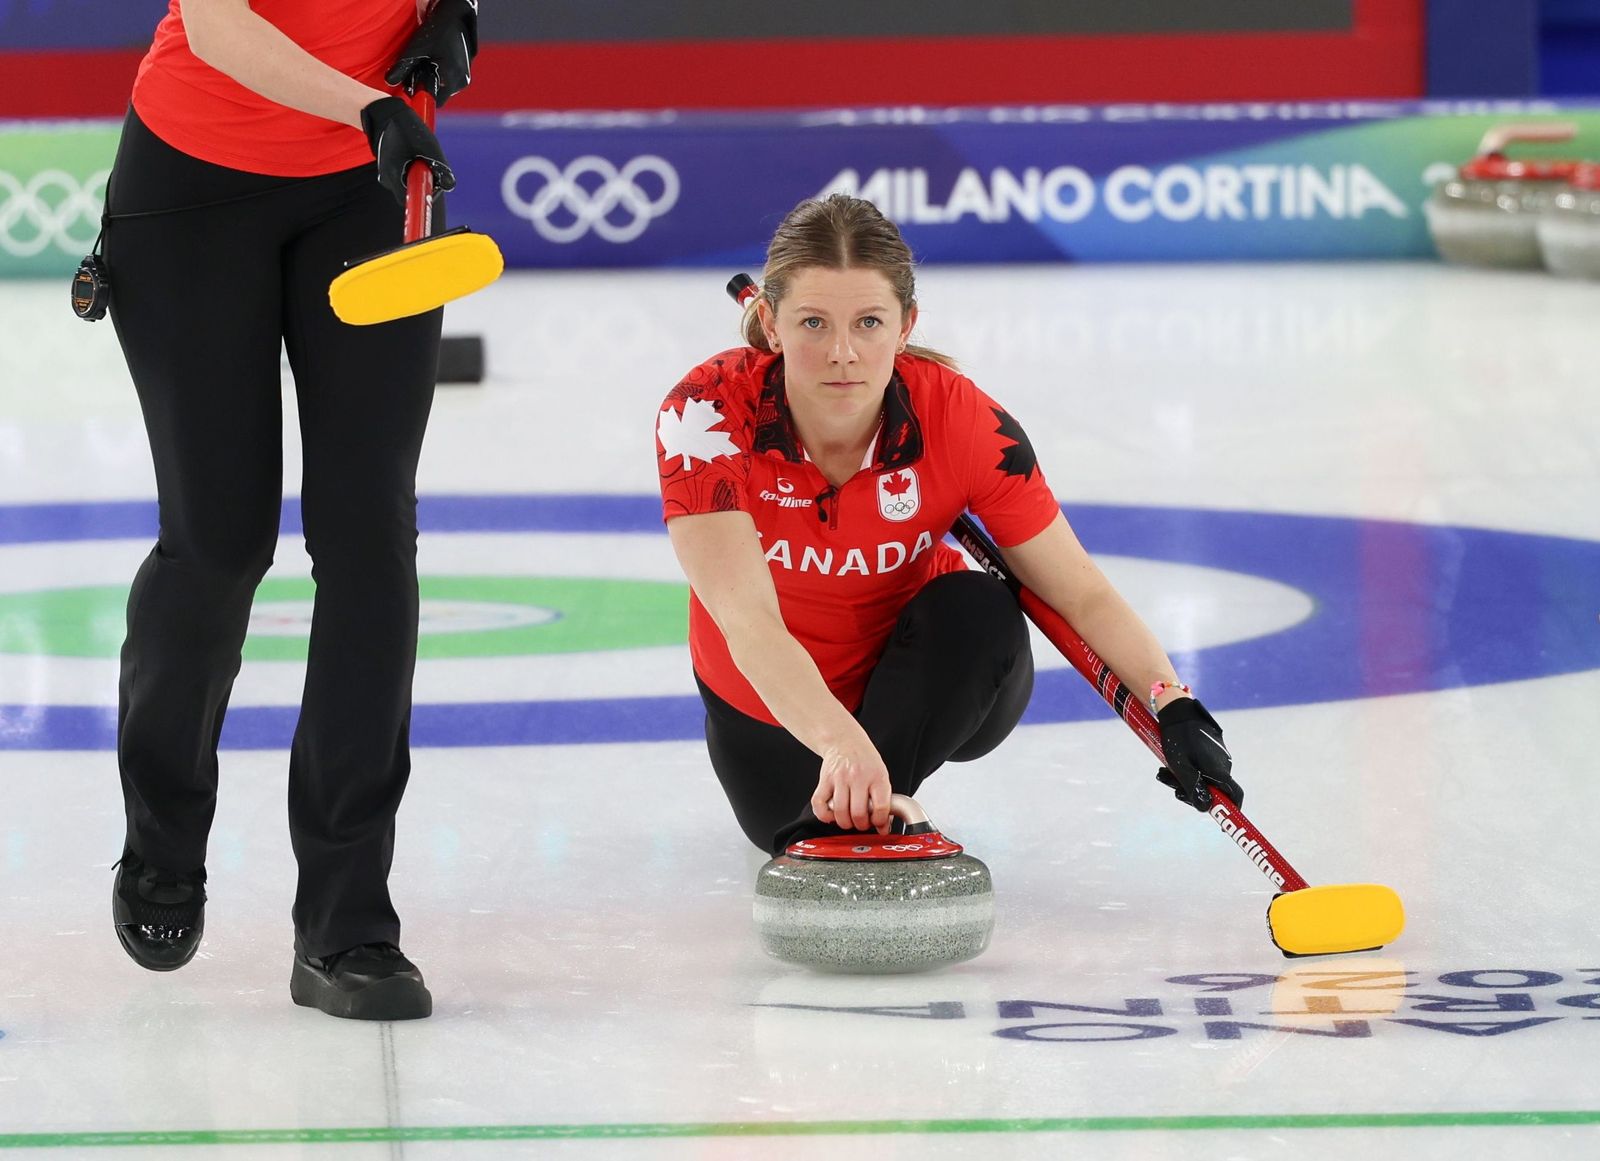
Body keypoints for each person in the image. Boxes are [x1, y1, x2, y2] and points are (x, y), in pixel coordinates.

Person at [656, 194, 1243, 857]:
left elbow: (1078, 590)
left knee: (980, 610)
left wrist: (1171, 702)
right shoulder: (702, 418)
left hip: (923, 676)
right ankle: (859, 803)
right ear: (770, 321)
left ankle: (878, 799)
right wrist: (842, 744)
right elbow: (747, 622)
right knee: (790, 818)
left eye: (869, 322)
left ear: (906, 326)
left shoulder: (962, 421)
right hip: (768, 706)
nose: (843, 352)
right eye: (813, 323)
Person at [102, 0, 479, 1021]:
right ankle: (164, 839)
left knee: (369, 541)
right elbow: (222, 29)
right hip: (194, 184)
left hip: (369, 190)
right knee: (218, 542)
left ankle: (347, 926)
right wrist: (369, 104)